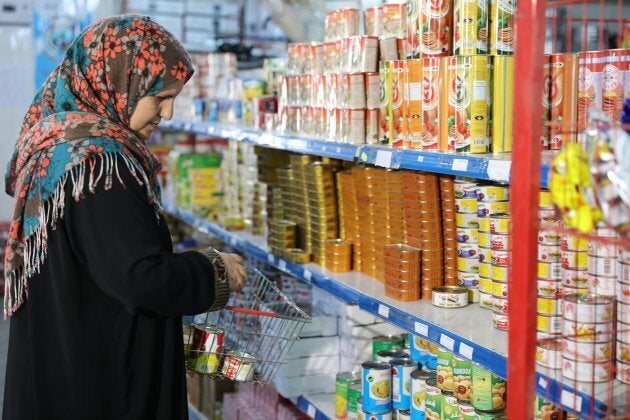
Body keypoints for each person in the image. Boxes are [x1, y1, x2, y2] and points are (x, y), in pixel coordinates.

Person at [2, 15, 247, 419]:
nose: (167, 113)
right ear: (120, 81)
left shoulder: (60, 145)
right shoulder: (102, 164)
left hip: (63, 364)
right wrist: (212, 269)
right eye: (160, 97)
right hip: (103, 386)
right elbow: (139, 277)